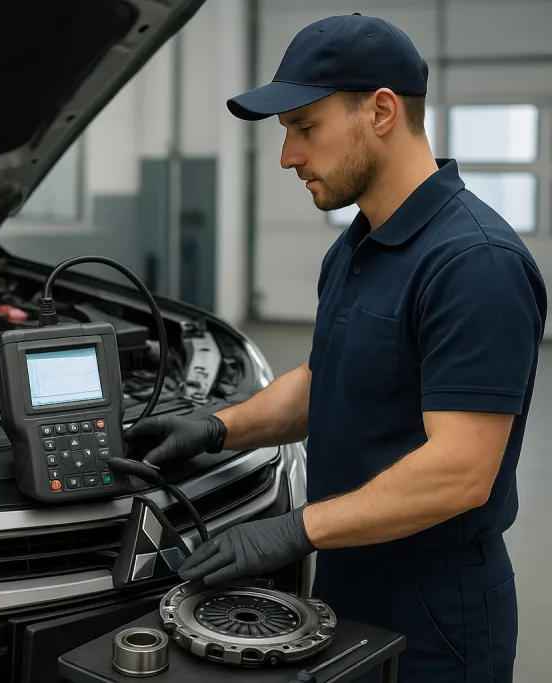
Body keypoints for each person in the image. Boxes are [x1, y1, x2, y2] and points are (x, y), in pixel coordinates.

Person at [124, 12, 546, 683]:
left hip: (434, 611)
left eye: (304, 127)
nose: (288, 156)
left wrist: (293, 530)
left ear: (380, 111)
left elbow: (462, 470)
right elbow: (328, 378)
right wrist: (215, 427)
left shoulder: (474, 263)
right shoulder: (357, 244)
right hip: (345, 571)